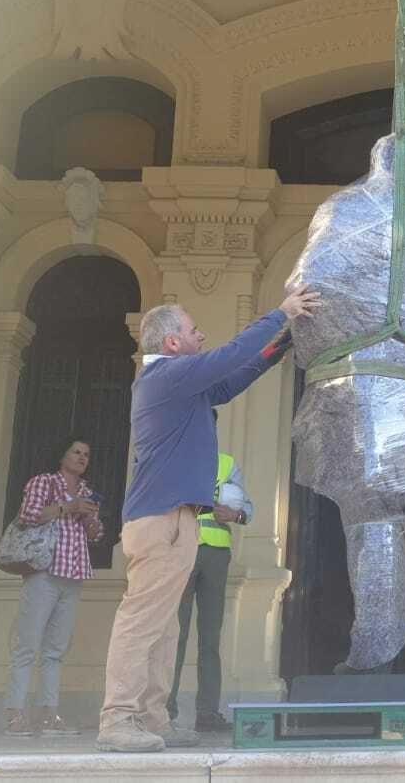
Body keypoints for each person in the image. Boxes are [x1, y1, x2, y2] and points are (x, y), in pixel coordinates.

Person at [95, 292, 319, 753]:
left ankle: (152, 719)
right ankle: (117, 720)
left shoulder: (182, 385)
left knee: (165, 628)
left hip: (176, 520)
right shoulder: (167, 376)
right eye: (194, 330)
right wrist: (282, 312)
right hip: (161, 521)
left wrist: (281, 345)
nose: (201, 335)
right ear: (174, 342)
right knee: (142, 623)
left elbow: (233, 378)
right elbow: (229, 355)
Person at [3, 437, 104, 737]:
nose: (82, 457)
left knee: (56, 651)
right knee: (27, 646)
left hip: (72, 576)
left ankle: (48, 715)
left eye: (86, 454)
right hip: (43, 573)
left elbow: (95, 536)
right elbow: (29, 515)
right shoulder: (44, 483)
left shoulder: (87, 492)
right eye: (76, 451)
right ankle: (14, 715)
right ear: (62, 455)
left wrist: (91, 522)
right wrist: (67, 507)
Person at [166, 450, 254, 732]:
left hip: (216, 555)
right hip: (181, 550)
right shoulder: (178, 457)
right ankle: (164, 710)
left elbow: (247, 508)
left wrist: (236, 514)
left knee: (210, 638)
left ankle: (207, 713)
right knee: (173, 635)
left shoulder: (226, 463)